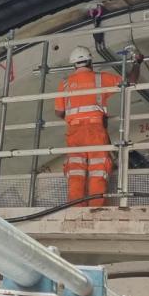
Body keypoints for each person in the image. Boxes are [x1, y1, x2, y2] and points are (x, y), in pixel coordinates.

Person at [54, 47, 125, 205]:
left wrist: (74, 116)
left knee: (76, 172)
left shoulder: (65, 84)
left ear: (74, 65)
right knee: (98, 171)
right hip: (95, 131)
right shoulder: (101, 78)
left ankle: (75, 210)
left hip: (75, 132)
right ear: (90, 61)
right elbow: (129, 82)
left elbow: (59, 112)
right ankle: (95, 210)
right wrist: (138, 63)